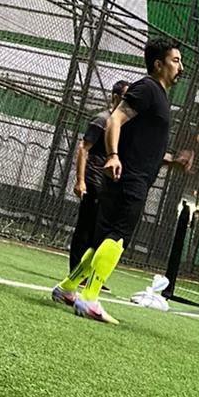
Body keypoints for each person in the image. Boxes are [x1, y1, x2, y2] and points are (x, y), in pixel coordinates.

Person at [51, 39, 192, 324]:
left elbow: (142, 144)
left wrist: (171, 161)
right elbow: (114, 120)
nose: (181, 68)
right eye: (176, 61)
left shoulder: (158, 96)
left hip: (132, 176)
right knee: (118, 237)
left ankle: (67, 288)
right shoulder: (148, 88)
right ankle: (89, 298)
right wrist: (113, 155)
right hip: (128, 178)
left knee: (104, 238)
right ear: (158, 64)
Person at [68, 80, 129, 273]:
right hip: (94, 181)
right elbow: (83, 148)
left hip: (109, 186)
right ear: (115, 97)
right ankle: (76, 272)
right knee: (85, 227)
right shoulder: (101, 120)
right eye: (125, 97)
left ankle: (91, 274)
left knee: (100, 231)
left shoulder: (123, 125)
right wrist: (80, 180)